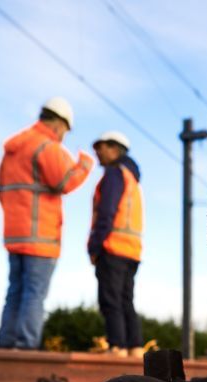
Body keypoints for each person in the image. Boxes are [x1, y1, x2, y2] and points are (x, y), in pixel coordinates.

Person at [0, 97, 94, 349]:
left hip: (15, 234)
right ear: (59, 124)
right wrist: (84, 165)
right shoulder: (45, 146)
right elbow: (64, 182)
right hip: (41, 236)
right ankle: (26, 346)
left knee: (14, 292)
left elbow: (4, 191)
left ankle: (5, 344)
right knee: (34, 294)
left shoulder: (15, 149)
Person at [88, 131, 144, 358]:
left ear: (114, 149)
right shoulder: (131, 178)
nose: (98, 152)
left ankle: (116, 348)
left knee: (110, 300)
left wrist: (94, 246)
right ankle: (135, 349)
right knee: (125, 301)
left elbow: (106, 213)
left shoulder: (114, 174)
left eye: (101, 147)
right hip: (132, 250)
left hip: (113, 247)